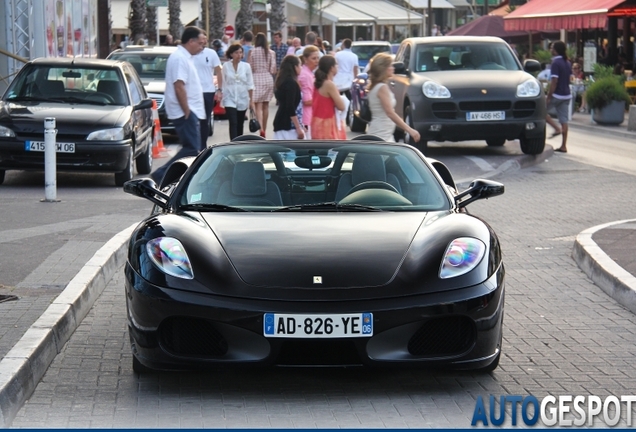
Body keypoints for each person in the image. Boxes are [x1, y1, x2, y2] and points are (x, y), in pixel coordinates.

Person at [151, 27, 207, 184]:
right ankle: (162, 175)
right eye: (200, 43)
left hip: (190, 111)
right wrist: (187, 111)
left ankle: (171, 178)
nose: (202, 47)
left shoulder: (186, 57)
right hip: (185, 112)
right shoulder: (179, 58)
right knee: (191, 149)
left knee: (192, 149)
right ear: (191, 41)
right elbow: (179, 85)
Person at [366, 53, 420, 143]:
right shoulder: (382, 87)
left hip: (383, 132)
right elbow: (390, 113)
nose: (393, 68)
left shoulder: (375, 86)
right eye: (390, 65)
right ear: (383, 69)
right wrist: (410, 130)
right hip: (381, 134)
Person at [193, 37, 223, 150]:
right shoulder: (189, 53)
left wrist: (219, 89)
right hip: (193, 92)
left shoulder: (211, 53)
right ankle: (193, 146)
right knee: (193, 120)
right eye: (201, 39)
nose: (203, 41)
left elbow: (219, 71)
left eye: (205, 39)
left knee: (204, 121)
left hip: (208, 92)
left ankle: (202, 147)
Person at [221, 43, 255, 140]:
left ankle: (239, 143)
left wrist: (251, 101)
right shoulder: (226, 66)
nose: (239, 55)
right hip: (229, 97)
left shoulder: (246, 66)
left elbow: (250, 84)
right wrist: (221, 93)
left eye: (240, 53)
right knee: (233, 122)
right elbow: (223, 81)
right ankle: (233, 143)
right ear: (231, 54)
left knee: (240, 123)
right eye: (236, 53)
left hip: (242, 97)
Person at [545, 40, 572, 153]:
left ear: (555, 51)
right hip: (566, 95)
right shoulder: (567, 62)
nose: (550, 50)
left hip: (557, 94)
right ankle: (563, 146)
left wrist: (549, 96)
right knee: (564, 120)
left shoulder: (555, 63)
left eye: (552, 48)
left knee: (541, 112)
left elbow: (554, 81)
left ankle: (556, 128)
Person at [311, 55, 346, 140]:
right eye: (336, 65)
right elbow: (341, 106)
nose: (337, 67)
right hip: (326, 122)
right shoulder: (329, 84)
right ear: (331, 68)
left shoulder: (318, 82)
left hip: (316, 121)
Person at [248, 32, 276, 138]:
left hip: (256, 78)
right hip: (268, 78)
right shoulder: (271, 52)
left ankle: (261, 129)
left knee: (258, 105)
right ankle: (265, 127)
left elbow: (250, 67)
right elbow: (273, 69)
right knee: (266, 105)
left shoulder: (252, 51)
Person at [273, 55, 304, 140]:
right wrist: (298, 127)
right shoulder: (291, 83)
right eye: (300, 65)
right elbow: (290, 106)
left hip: (282, 122)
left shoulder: (282, 81)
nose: (301, 68)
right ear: (295, 67)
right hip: (288, 125)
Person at [298, 45, 320, 139]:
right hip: (307, 117)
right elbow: (306, 100)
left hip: (308, 116)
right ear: (306, 59)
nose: (316, 61)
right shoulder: (305, 75)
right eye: (313, 58)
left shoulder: (308, 73)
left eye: (318, 58)